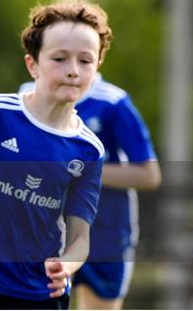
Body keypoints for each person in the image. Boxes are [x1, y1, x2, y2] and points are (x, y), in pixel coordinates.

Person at [0, 1, 110, 309]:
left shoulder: (89, 150)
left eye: (85, 61)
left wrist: (67, 266)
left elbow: (79, 239)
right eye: (59, 59)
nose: (73, 71)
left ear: (96, 67)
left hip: (43, 296)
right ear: (33, 64)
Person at [20, 74, 161, 308]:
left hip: (105, 234)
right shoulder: (26, 95)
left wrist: (83, 170)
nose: (72, 68)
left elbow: (149, 175)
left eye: (84, 58)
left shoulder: (113, 102)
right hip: (45, 231)